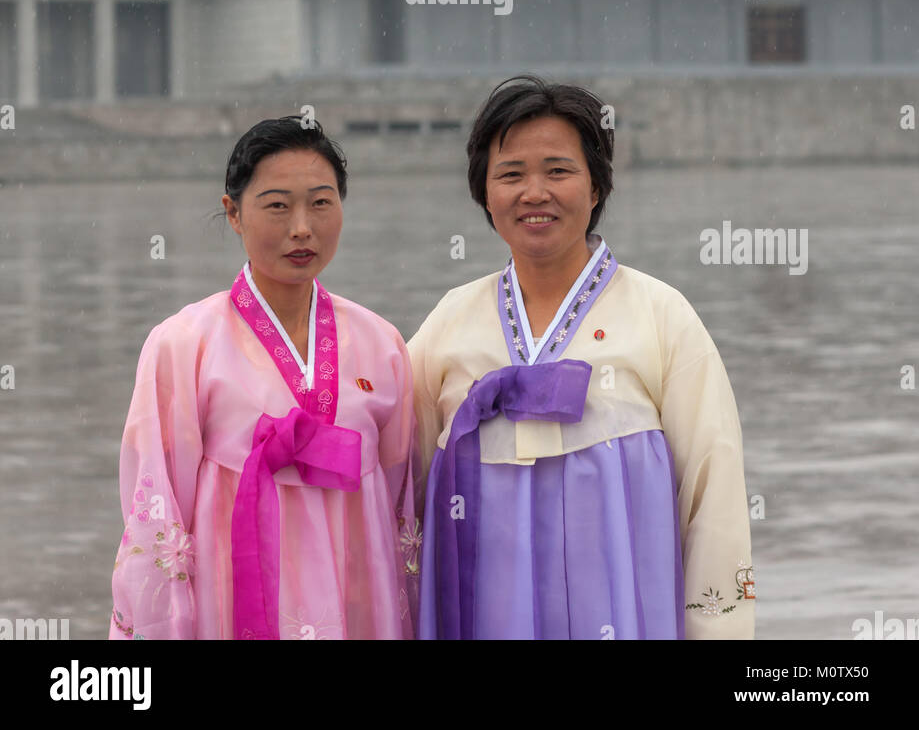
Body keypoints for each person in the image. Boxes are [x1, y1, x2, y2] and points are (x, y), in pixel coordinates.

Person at [407, 74, 754, 640]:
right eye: (511, 174)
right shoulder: (449, 322)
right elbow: (398, 486)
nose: (534, 192)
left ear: (596, 188)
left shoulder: (662, 316)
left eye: (559, 170)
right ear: (484, 193)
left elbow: (713, 498)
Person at [109, 115, 420, 640]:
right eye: (277, 205)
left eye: (321, 203)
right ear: (233, 213)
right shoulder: (185, 343)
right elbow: (159, 510)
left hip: (355, 596)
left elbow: (399, 505)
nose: (302, 228)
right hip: (229, 595)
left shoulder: (382, 344)